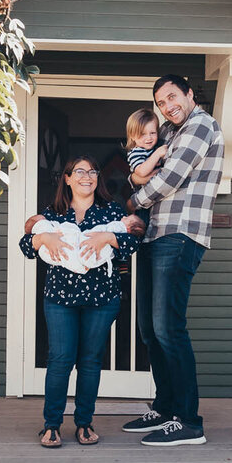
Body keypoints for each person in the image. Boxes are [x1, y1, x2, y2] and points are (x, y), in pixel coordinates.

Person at [123, 74, 224, 447]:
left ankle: (188, 420)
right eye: (161, 102)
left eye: (172, 97)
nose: (167, 106)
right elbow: (144, 170)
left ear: (189, 94)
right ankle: (165, 408)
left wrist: (133, 202)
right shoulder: (167, 131)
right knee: (150, 330)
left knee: (169, 329)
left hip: (181, 234)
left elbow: (170, 180)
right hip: (155, 235)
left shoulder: (200, 125)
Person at [19, 156, 142, 448]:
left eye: (92, 171)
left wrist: (108, 237)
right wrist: (43, 240)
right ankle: (51, 425)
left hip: (101, 299)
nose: (87, 176)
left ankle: (84, 423)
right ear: (68, 179)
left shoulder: (111, 210)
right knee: (60, 360)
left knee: (89, 361)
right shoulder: (54, 213)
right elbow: (26, 245)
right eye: (80, 171)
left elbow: (133, 242)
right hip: (60, 298)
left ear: (97, 179)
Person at [124, 108, 166, 227]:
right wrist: (157, 154)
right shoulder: (135, 152)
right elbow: (141, 171)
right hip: (142, 203)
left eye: (152, 133)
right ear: (132, 136)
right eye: (142, 134)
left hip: (154, 200)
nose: (148, 138)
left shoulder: (152, 149)